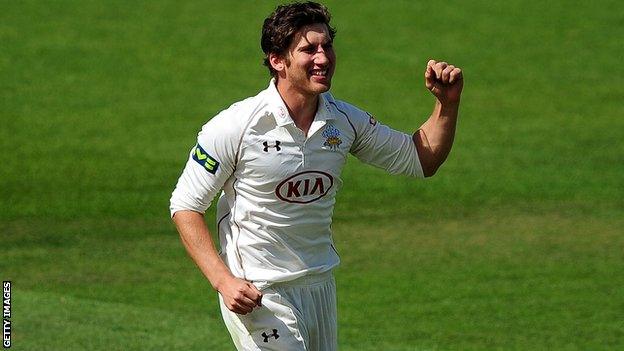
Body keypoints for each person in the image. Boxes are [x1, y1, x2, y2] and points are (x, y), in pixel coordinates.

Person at [169, 2, 463, 350]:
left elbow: (419, 158)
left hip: (320, 283)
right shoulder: (236, 126)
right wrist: (223, 280)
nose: (323, 58)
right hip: (259, 290)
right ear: (278, 60)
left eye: (327, 46)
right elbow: (186, 205)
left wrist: (447, 105)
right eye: (309, 49)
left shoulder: (343, 121)